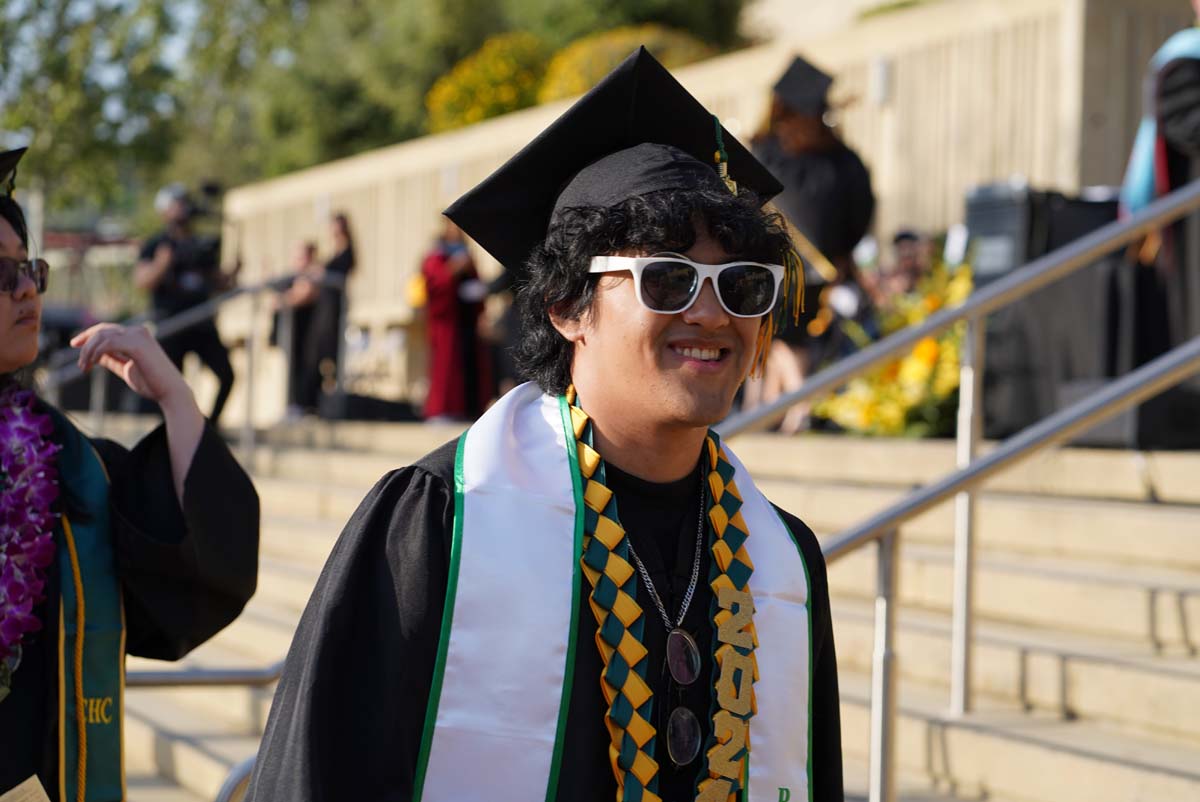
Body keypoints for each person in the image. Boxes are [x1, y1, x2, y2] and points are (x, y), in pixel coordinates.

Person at [248, 48, 841, 802]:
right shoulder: (438, 522)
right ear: (566, 308)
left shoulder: (782, 558)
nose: (712, 313)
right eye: (667, 278)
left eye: (743, 284)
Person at [0, 148, 260, 801]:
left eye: (28, 268)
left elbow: (201, 572)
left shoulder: (64, 470)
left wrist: (174, 398)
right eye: (0, 275)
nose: (27, 288)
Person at [745, 55, 877, 432]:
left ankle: (791, 406)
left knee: (786, 339)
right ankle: (773, 409)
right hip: (797, 267)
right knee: (778, 340)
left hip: (802, 270)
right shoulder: (833, 159)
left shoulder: (778, 155)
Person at [134, 183, 238, 424]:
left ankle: (210, 428)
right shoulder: (157, 244)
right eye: (176, 203)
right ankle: (175, 430)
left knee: (227, 375)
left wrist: (231, 275)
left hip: (201, 323)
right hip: (172, 325)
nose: (183, 208)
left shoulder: (200, 244)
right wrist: (162, 264)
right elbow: (142, 280)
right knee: (170, 385)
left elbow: (215, 280)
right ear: (164, 210)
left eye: (184, 202)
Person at [420, 219, 492, 420]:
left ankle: (471, 409)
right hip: (448, 325)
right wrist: (453, 270)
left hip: (467, 321)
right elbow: (434, 286)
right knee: (447, 370)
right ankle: (445, 410)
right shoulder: (436, 256)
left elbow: (477, 285)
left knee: (472, 370)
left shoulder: (466, 255)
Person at [296, 213, 355, 415]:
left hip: (332, 312)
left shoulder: (346, 252)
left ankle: (317, 404)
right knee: (314, 356)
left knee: (325, 356)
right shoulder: (335, 251)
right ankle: (309, 403)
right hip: (324, 310)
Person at [271, 240, 321, 417]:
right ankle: (294, 404)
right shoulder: (292, 277)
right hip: (292, 331)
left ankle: (301, 405)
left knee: (304, 368)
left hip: (307, 332)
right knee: (292, 367)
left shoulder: (314, 273)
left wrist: (283, 301)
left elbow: (303, 294)